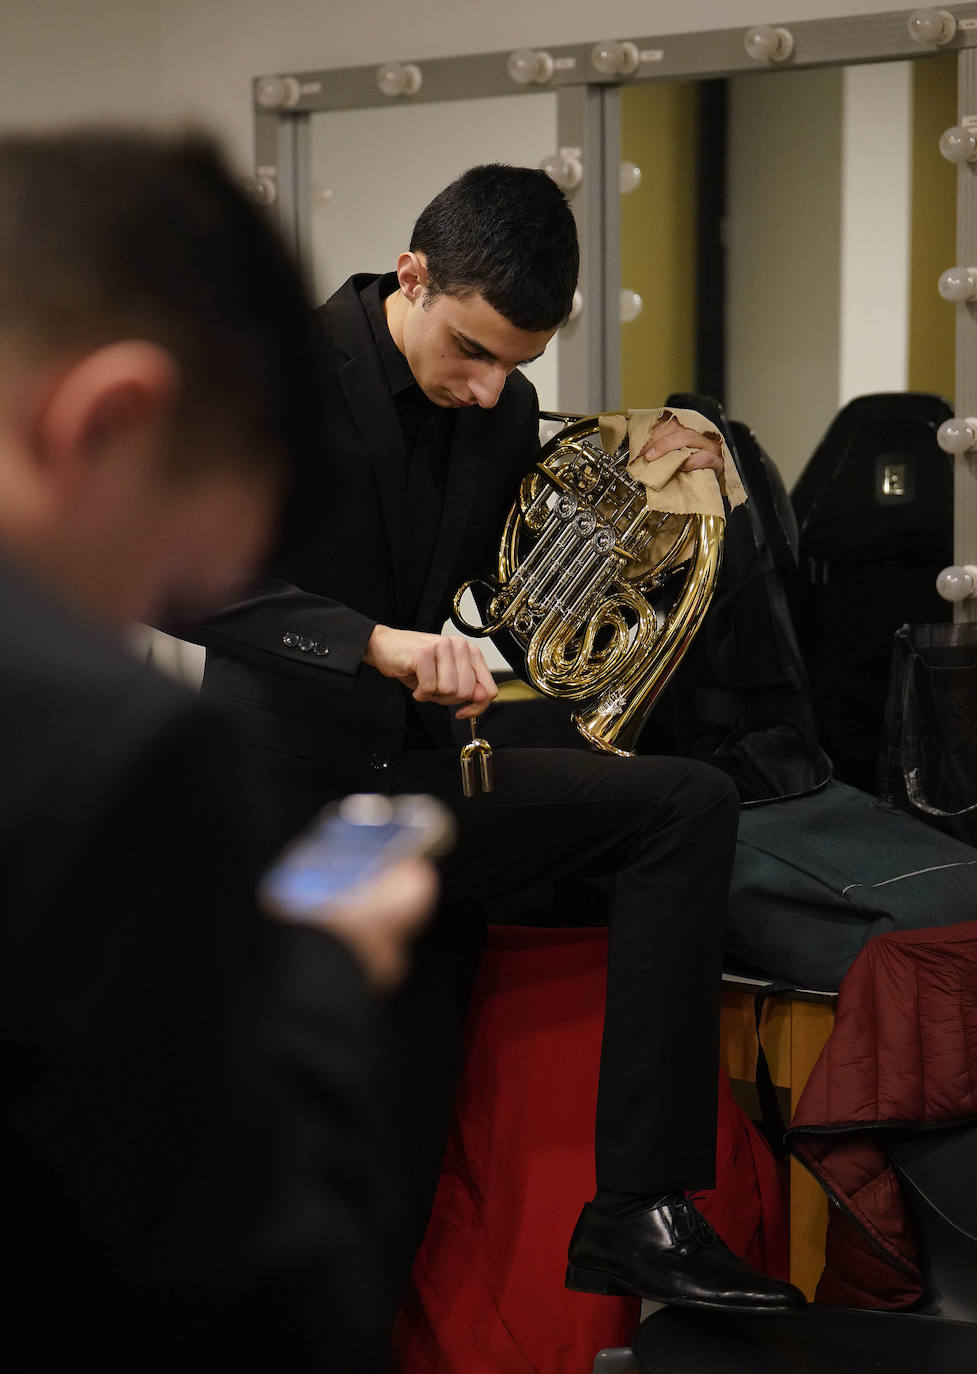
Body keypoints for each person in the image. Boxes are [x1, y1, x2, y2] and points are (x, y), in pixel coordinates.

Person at [193, 164, 806, 1331]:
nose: (485, 391)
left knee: (683, 803)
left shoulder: (509, 407)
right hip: (288, 809)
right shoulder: (269, 369)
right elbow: (180, 582)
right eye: (469, 351)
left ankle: (635, 1204)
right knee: (330, 1175)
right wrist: (369, 644)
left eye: (513, 364)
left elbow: (529, 589)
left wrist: (657, 466)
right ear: (412, 276)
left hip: (414, 797)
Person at [0, 128, 437, 1370]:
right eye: (177, 570)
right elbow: (253, 1311)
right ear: (108, 420)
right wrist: (319, 967)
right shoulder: (107, 752)